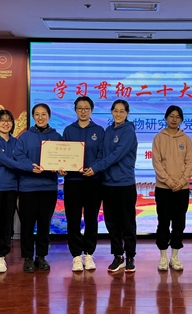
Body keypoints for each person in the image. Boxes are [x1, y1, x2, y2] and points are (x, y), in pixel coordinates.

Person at [0, 109, 41, 274]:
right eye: (2, 120)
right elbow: (6, 161)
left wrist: (33, 165)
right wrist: (28, 167)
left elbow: (21, 158)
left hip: (11, 189)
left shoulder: (16, 142)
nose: (6, 123)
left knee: (6, 225)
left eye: (9, 120)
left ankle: (1, 256)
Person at [83, 99, 138, 273]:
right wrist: (89, 166)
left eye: (122, 111)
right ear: (112, 112)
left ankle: (130, 256)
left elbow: (116, 155)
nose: (118, 114)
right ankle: (118, 256)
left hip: (124, 184)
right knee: (112, 223)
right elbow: (101, 154)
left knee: (127, 222)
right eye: (115, 111)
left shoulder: (128, 131)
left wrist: (96, 167)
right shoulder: (108, 130)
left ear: (127, 113)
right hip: (107, 183)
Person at [14, 103, 61, 273]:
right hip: (28, 187)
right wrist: (30, 166)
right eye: (37, 114)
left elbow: (63, 157)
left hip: (48, 187)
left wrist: (60, 167)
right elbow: (18, 156)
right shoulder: (25, 137)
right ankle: (28, 257)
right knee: (27, 224)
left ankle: (41, 256)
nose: (40, 117)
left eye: (44, 114)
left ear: (49, 116)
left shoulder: (57, 136)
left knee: (44, 224)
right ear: (33, 117)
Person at [61, 96, 105, 272]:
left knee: (91, 219)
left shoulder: (99, 130)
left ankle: (88, 253)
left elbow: (102, 155)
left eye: (86, 108)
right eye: (80, 108)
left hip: (93, 181)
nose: (83, 111)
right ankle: (76, 255)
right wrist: (61, 167)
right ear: (75, 110)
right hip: (73, 181)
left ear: (91, 110)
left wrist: (95, 168)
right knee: (73, 219)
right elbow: (62, 154)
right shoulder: (68, 130)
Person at [152, 105, 192, 271]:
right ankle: (163, 256)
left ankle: (175, 256)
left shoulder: (186, 139)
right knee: (163, 222)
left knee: (179, 223)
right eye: (171, 116)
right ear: (166, 118)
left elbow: (189, 163)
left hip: (182, 189)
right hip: (163, 188)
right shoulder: (158, 138)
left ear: (181, 119)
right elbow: (157, 163)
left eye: (177, 117)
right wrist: (169, 182)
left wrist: (181, 181)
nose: (174, 119)